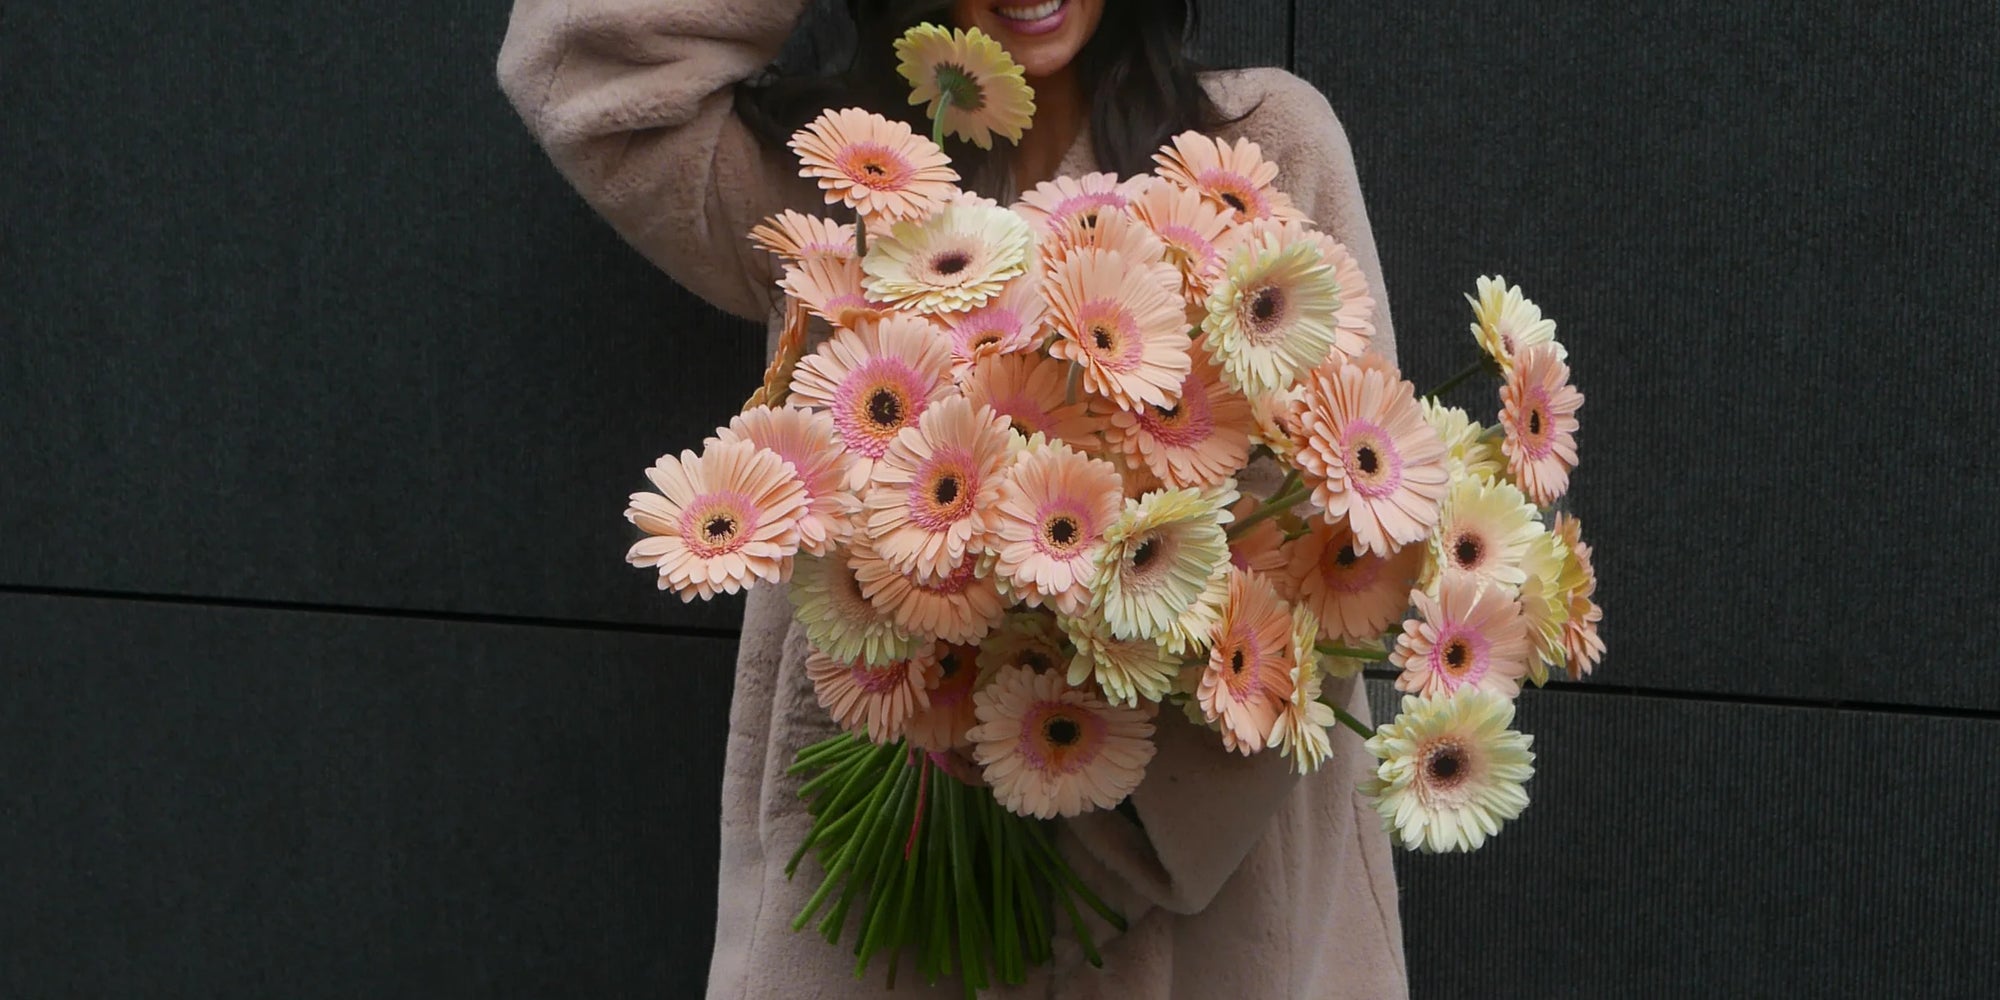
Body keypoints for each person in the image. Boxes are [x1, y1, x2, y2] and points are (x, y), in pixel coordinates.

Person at [498, 1, 1408, 995]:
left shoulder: (1261, 146)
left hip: (1193, 933)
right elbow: (588, 73)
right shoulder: (854, 177)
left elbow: (1348, 555)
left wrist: (1096, 853)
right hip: (874, 923)